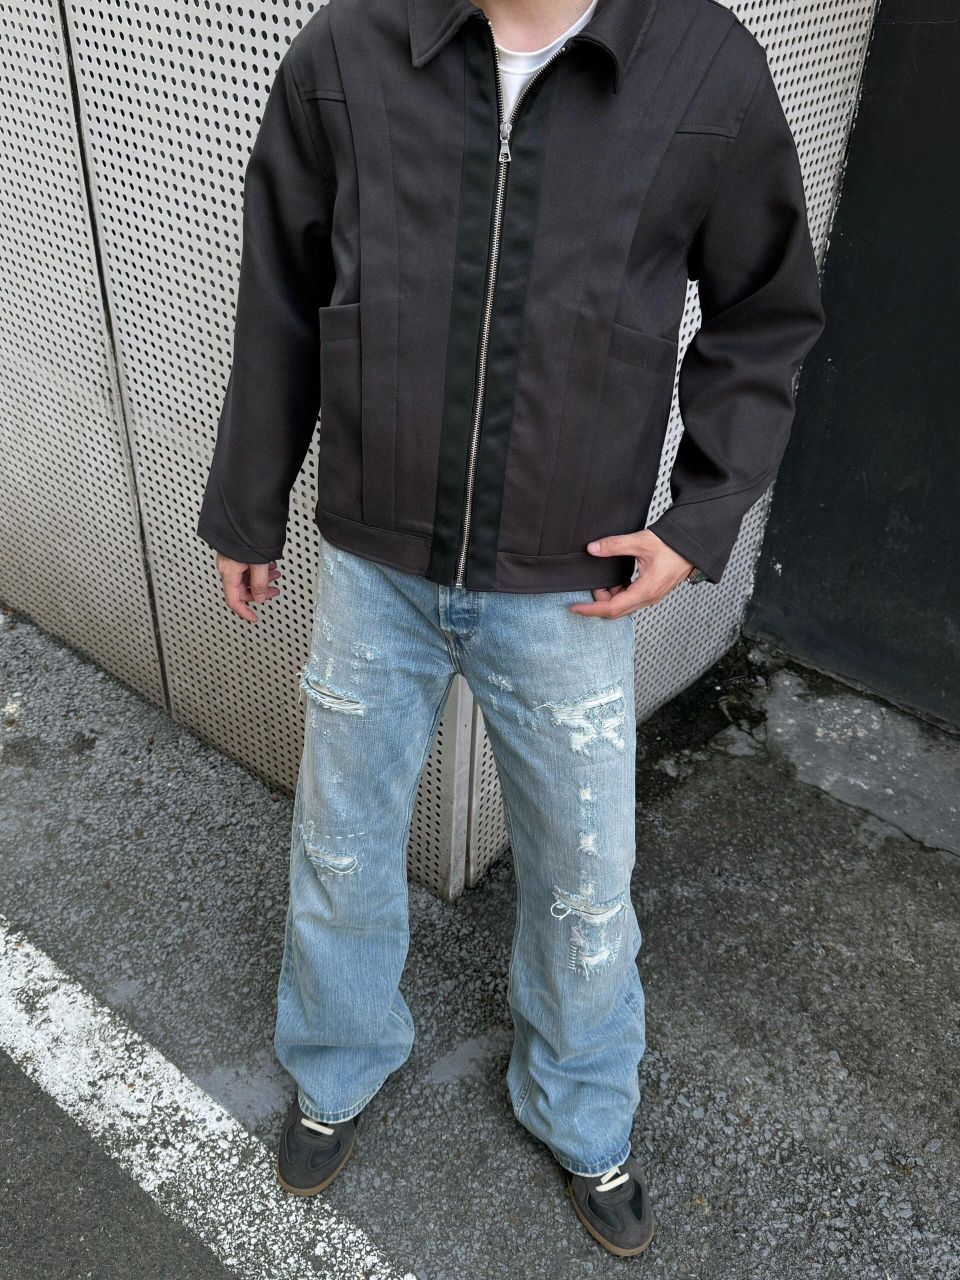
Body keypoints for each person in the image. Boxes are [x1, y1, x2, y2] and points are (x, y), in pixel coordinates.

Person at [196, 0, 825, 1257]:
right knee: (340, 842)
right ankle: (334, 1066)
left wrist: (701, 515)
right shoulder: (348, 50)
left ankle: (583, 1108)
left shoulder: (703, 66)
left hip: (569, 580)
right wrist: (249, 502)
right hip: (376, 561)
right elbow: (284, 288)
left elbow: (764, 310)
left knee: (586, 880)